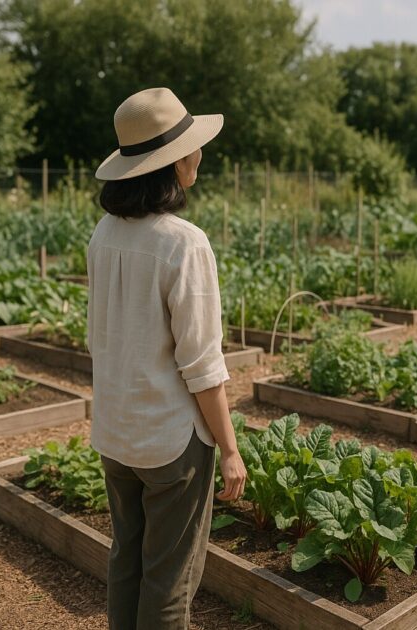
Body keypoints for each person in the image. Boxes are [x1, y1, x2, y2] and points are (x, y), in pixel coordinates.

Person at [89, 87, 247, 629]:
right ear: (176, 162)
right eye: (193, 147)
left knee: (126, 561)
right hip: (170, 443)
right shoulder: (183, 242)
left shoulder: (104, 234)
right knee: (170, 581)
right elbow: (202, 365)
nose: (198, 154)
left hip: (115, 432)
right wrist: (229, 448)